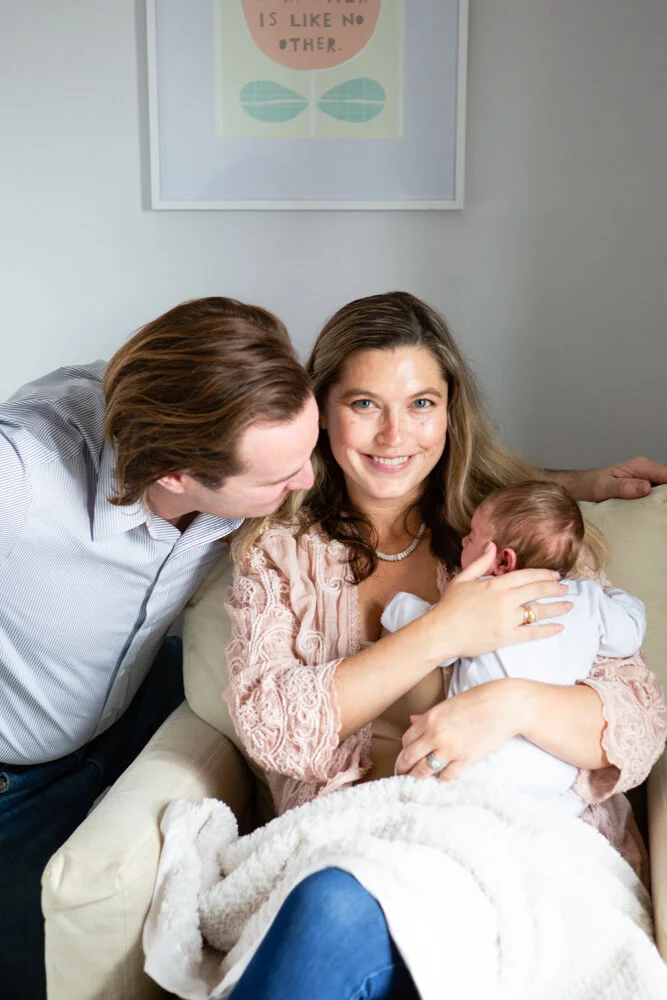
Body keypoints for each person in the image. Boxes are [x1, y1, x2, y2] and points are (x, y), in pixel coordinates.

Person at [223, 291, 667, 1000]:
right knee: (333, 906)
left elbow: (637, 724)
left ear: (450, 411)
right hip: (360, 838)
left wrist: (509, 704)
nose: (394, 434)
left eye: (421, 404)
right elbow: (274, 729)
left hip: (528, 841)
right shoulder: (280, 553)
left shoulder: (521, 536)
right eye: (363, 404)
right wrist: (444, 631)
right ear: (320, 411)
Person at [0, 296, 318, 1000]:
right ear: (175, 474)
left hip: (137, 709)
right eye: (278, 478)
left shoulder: (243, 426)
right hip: (15, 776)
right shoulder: (24, 475)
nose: (308, 480)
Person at [381, 481, 647, 816]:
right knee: (564, 803)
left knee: (416, 779)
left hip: (481, 761)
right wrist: (618, 599)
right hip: (555, 768)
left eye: (473, 536)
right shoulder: (589, 598)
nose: (464, 540)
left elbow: (441, 640)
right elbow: (629, 635)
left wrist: (397, 607)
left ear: (504, 562)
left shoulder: (482, 598)